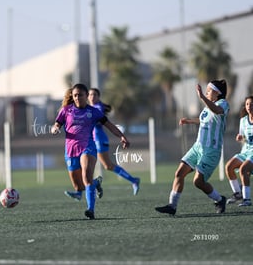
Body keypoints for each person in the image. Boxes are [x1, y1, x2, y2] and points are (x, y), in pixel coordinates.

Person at [51, 83, 130, 219]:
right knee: (78, 187)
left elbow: (110, 125)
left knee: (86, 178)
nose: (77, 98)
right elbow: (57, 124)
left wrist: (122, 136)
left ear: (86, 96)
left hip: (87, 147)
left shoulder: (93, 112)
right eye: (75, 95)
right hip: (70, 151)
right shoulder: (66, 110)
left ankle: (90, 210)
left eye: (80, 95)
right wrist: (55, 128)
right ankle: (96, 183)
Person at [155, 79, 229, 215]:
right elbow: (203, 120)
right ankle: (172, 206)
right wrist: (188, 121)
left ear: (217, 93)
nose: (206, 92)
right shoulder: (208, 107)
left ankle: (219, 199)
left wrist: (201, 97)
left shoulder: (222, 104)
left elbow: (217, 111)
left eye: (209, 90)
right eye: (205, 90)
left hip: (211, 151)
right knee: (179, 173)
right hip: (198, 147)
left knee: (198, 182)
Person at [88, 88, 140, 196]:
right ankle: (86, 188)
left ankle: (133, 180)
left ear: (98, 97)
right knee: (104, 166)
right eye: (90, 95)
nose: (92, 96)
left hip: (99, 140)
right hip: (94, 140)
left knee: (107, 165)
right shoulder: (91, 108)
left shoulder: (97, 107)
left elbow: (99, 121)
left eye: (94, 94)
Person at [225, 95, 253, 206]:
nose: (249, 106)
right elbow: (241, 136)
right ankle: (237, 194)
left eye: (251, 104)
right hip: (245, 152)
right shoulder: (243, 120)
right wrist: (239, 137)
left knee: (243, 169)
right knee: (228, 167)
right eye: (247, 104)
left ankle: (247, 200)